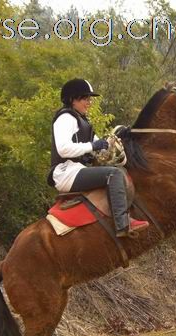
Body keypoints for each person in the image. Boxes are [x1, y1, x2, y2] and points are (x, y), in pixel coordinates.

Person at [48, 78, 149, 238]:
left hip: (77, 170)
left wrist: (121, 136)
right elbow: (63, 149)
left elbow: (101, 144)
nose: (89, 102)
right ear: (73, 99)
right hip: (66, 173)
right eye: (85, 98)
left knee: (118, 170)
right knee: (113, 175)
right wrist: (93, 146)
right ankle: (123, 224)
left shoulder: (82, 121)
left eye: (89, 99)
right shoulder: (65, 118)